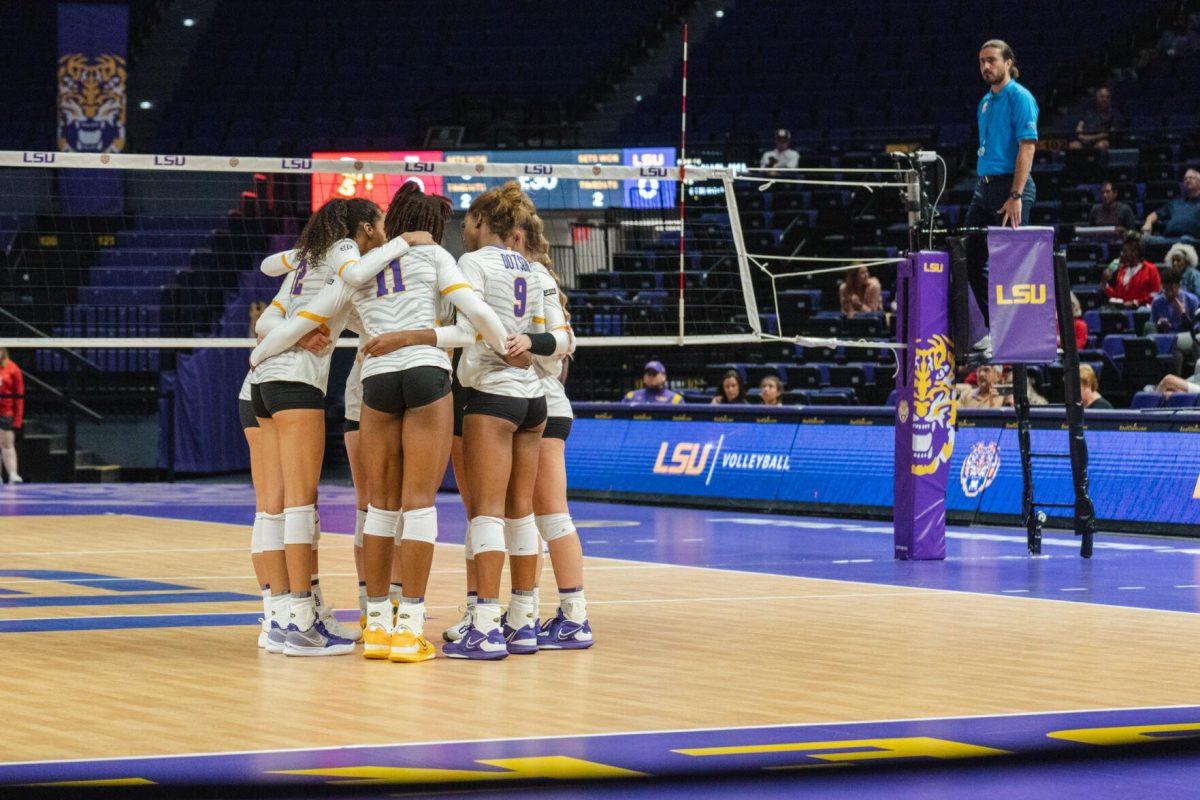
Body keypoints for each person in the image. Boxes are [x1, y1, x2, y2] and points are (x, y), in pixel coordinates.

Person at [252, 185, 508, 663]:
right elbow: (474, 315)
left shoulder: (359, 271)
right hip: (426, 372)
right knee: (419, 506)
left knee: (377, 508)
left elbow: (306, 316)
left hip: (375, 382)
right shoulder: (432, 256)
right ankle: (409, 628)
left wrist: (261, 349)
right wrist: (506, 342)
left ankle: (375, 626)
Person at [250, 197, 425, 657]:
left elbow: (268, 311)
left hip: (261, 385)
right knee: (298, 508)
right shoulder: (348, 252)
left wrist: (294, 328)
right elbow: (354, 276)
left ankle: (283, 616)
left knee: (278, 509)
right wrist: (406, 242)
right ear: (365, 229)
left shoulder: (309, 259)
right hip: (294, 382)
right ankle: (301, 620)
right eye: (383, 224)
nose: (388, 229)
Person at [442, 182, 570, 660]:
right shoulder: (536, 270)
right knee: (522, 514)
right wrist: (526, 347)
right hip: (535, 401)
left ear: (480, 222)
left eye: (467, 222)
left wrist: (410, 336)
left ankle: (486, 624)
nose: (463, 230)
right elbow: (558, 341)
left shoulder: (471, 264)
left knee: (487, 513)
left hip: (491, 395)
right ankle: (523, 621)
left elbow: (464, 325)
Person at [965, 39, 1038, 337]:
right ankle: (995, 328)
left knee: (1010, 268)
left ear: (1008, 62)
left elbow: (1028, 148)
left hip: (1011, 188)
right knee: (968, 261)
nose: (986, 66)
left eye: (992, 60)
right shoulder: (984, 102)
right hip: (983, 190)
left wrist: (1015, 195)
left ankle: (1017, 334)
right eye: (982, 61)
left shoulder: (1020, 97)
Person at [1142, 167, 1200, 245]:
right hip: (1168, 239)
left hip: (1190, 240)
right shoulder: (1175, 203)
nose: (1187, 180)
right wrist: (1148, 222)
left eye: (1191, 178)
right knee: (1144, 239)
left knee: (1184, 240)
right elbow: (1155, 214)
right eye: (1185, 178)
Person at [1103, 231, 1161, 308]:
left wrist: (1136, 302)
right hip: (1123, 312)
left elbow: (1155, 294)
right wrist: (1105, 284)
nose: (1121, 254)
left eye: (1125, 251)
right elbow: (1118, 296)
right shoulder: (1122, 270)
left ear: (1135, 252)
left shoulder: (1150, 269)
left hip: (1142, 312)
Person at [0, 347, 24, 484]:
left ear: (3, 351)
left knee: (7, 443)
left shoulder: (12, 368)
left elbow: (19, 395)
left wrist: (18, 418)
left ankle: (13, 474)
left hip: (6, 412)